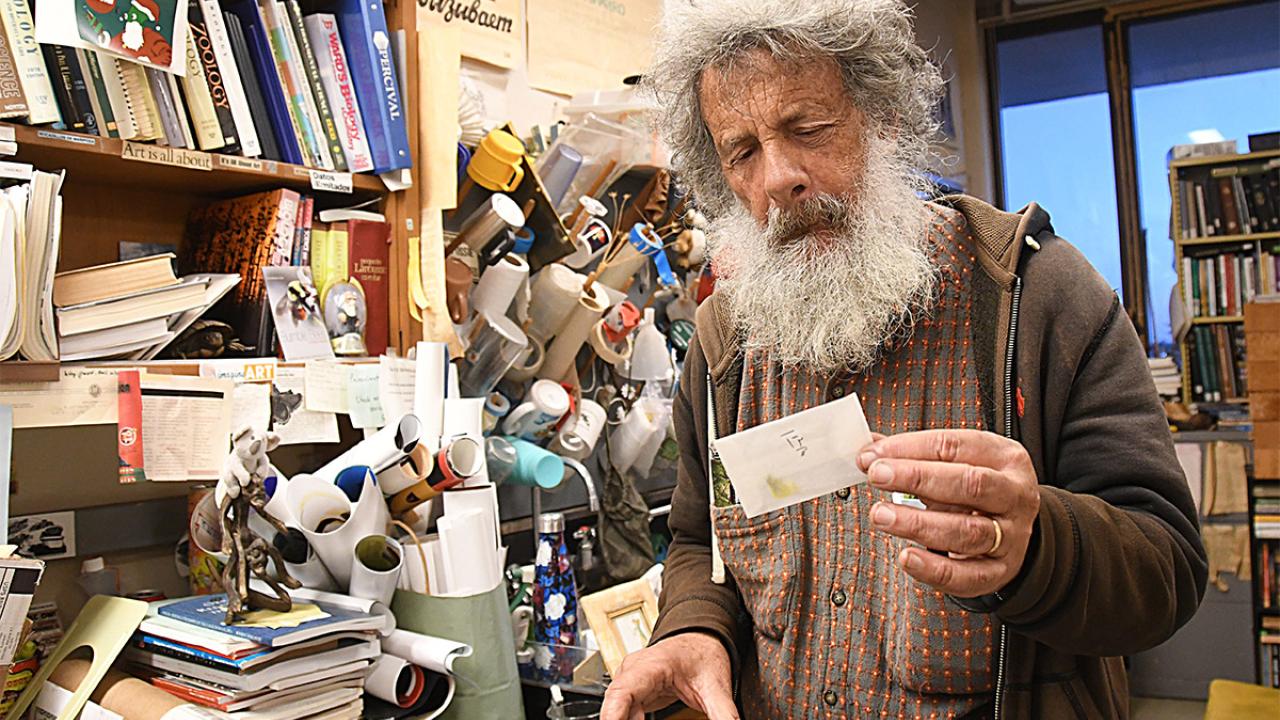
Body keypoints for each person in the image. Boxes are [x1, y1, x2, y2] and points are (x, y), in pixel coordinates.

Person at [600, 1, 1207, 719]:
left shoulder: (1041, 299)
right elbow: (703, 542)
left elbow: (1168, 569)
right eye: (742, 151)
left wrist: (1037, 544)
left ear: (882, 116)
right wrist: (693, 628)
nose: (780, 177)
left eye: (808, 128)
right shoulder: (722, 345)